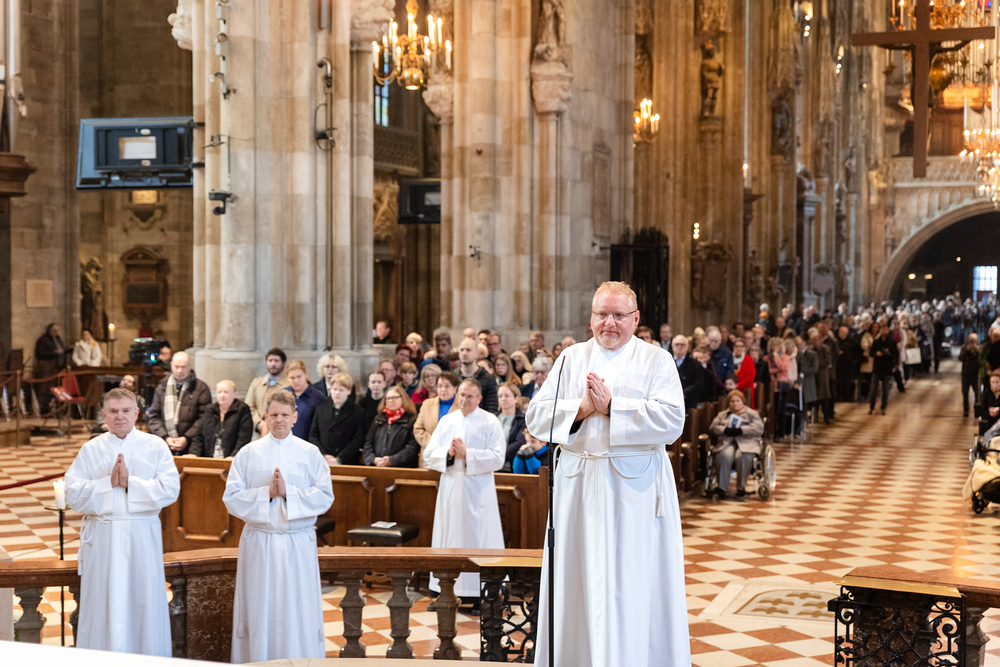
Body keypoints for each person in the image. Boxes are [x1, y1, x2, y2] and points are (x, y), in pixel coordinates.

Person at [525, 281, 688, 667]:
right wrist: (581, 409)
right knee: (577, 582)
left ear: (635, 319)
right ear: (591, 318)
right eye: (602, 315)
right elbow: (536, 417)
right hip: (577, 488)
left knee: (628, 582)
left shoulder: (656, 360)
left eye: (618, 315)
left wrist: (615, 407)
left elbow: (672, 421)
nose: (609, 323)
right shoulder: (571, 359)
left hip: (633, 491)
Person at [65, 387, 181, 655]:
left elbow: (170, 489)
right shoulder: (91, 449)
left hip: (141, 537)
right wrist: (108, 483)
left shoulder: (155, 446)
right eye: (114, 411)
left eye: (126, 410)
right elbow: (73, 494)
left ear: (137, 413)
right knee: (103, 601)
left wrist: (131, 483)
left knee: (142, 599)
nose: (120, 416)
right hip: (103, 539)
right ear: (104, 414)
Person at [223, 390, 334, 663]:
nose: (279, 420)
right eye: (273, 415)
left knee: (297, 608)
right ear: (265, 417)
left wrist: (288, 493)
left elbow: (325, 496)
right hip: (261, 542)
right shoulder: (248, 453)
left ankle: (299, 661)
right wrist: (267, 494)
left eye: (285, 415)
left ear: (295, 417)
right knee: (259, 606)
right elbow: (231, 498)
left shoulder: (310, 453)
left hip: (298, 543)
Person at [423, 379, 506, 605]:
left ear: (479, 398)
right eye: (461, 395)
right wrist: (449, 453)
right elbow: (429, 454)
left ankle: (480, 593)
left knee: (478, 537)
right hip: (451, 489)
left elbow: (498, 457)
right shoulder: (447, 421)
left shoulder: (490, 421)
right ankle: (444, 591)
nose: (464, 400)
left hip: (478, 492)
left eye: (470, 396)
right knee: (449, 535)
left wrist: (468, 454)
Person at [147, 351, 212, 455]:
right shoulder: (162, 387)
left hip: (191, 446)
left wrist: (186, 438)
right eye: (176, 366)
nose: (179, 370)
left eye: (183, 367)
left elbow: (204, 418)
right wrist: (165, 437)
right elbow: (154, 415)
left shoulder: (201, 388)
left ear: (190, 366)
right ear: (171, 365)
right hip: (165, 446)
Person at [708, 390, 765, 498]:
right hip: (727, 442)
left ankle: (741, 487)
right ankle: (722, 487)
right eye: (732, 401)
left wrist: (742, 430)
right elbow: (713, 428)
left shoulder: (752, 414)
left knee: (742, 455)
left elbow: (759, 428)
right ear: (729, 403)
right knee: (724, 455)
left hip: (746, 443)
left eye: (738, 401)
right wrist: (724, 430)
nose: (735, 404)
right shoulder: (722, 415)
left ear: (742, 402)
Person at [309, 372, 367, 465]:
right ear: (330, 390)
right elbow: (313, 435)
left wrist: (339, 458)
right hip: (323, 459)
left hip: (346, 461)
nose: (337, 393)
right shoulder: (321, 409)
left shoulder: (357, 411)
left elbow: (357, 439)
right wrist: (323, 455)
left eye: (341, 390)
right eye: (334, 389)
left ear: (348, 391)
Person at [187, 380, 253, 458]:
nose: (222, 395)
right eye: (219, 392)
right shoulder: (210, 410)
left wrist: (234, 456)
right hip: (209, 458)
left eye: (226, 392)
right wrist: (194, 453)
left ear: (235, 394)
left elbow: (244, 438)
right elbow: (198, 435)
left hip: (232, 458)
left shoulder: (242, 409)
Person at [362, 384, 420, 467]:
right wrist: (373, 459)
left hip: (403, 468)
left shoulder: (412, 419)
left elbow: (412, 447)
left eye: (394, 398)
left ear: (403, 398)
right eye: (388, 398)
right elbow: (368, 442)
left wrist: (391, 460)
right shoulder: (379, 419)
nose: (390, 400)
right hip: (378, 467)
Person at [278, 360, 326, 440]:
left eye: (299, 377)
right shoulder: (281, 395)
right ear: (287, 378)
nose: (296, 381)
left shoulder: (318, 398)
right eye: (292, 378)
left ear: (305, 374)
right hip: (283, 442)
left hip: (307, 443)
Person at [245, 348, 289, 435]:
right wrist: (258, 422)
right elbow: (248, 406)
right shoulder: (257, 383)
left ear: (283, 363)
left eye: (276, 361)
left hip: (280, 432)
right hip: (258, 432)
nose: (273, 364)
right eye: (270, 360)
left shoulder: (288, 385)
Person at [413, 372, 459, 451]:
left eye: (447, 386)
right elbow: (418, 429)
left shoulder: (462, 406)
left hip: (453, 452)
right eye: (440, 386)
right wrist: (433, 444)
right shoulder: (427, 404)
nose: (443, 389)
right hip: (429, 451)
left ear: (455, 388)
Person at [457, 337, 499, 413]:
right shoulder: (453, 377)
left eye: (468, 350)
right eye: (462, 350)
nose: (464, 353)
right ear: (459, 354)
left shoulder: (488, 378)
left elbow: (491, 408)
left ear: (476, 353)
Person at [34, 323, 67, 414]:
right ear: (49, 330)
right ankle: (44, 409)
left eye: (57, 331)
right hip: (47, 366)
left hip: (57, 366)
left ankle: (59, 410)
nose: (55, 332)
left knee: (56, 387)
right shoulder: (43, 339)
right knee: (44, 388)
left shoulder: (57, 339)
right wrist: (54, 352)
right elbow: (40, 353)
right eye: (54, 331)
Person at [868, 322, 897, 415]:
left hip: (887, 368)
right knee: (873, 389)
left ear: (888, 330)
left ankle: (883, 407)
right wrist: (876, 353)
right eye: (882, 329)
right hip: (877, 368)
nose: (884, 331)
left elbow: (895, 354)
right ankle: (871, 406)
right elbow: (871, 353)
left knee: (885, 389)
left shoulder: (892, 342)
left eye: (885, 329)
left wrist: (888, 355)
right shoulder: (876, 342)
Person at [497, 382, 527, 469]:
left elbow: (519, 443)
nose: (503, 399)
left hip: (510, 465)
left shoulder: (523, 419)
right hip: (491, 464)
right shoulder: (492, 418)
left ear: (516, 398)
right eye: (500, 396)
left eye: (507, 396)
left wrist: (499, 457)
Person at [960, 333, 981, 418]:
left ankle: (977, 410)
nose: (972, 342)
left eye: (974, 340)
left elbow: (980, 361)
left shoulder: (979, 349)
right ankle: (966, 409)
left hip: (975, 375)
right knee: (965, 393)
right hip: (966, 374)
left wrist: (977, 351)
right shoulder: (964, 348)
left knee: (977, 394)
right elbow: (960, 358)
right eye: (971, 340)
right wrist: (966, 351)